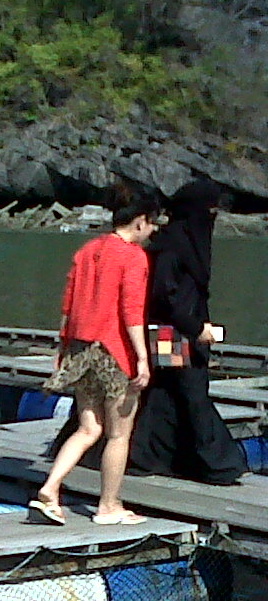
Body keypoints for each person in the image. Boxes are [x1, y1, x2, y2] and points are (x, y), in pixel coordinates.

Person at [30, 194, 160, 527]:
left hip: (80, 349)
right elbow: (131, 311)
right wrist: (142, 358)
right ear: (140, 221)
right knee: (118, 435)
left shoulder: (87, 251)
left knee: (88, 428)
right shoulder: (133, 256)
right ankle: (109, 506)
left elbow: (67, 306)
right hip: (114, 352)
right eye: (152, 223)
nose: (154, 230)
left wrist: (63, 350)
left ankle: (50, 488)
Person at [129, 178, 245, 485]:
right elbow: (164, 297)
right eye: (209, 212)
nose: (212, 219)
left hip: (182, 331)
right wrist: (196, 328)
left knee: (166, 396)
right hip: (172, 332)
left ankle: (149, 457)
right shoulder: (172, 248)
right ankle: (220, 465)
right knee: (191, 394)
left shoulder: (183, 243)